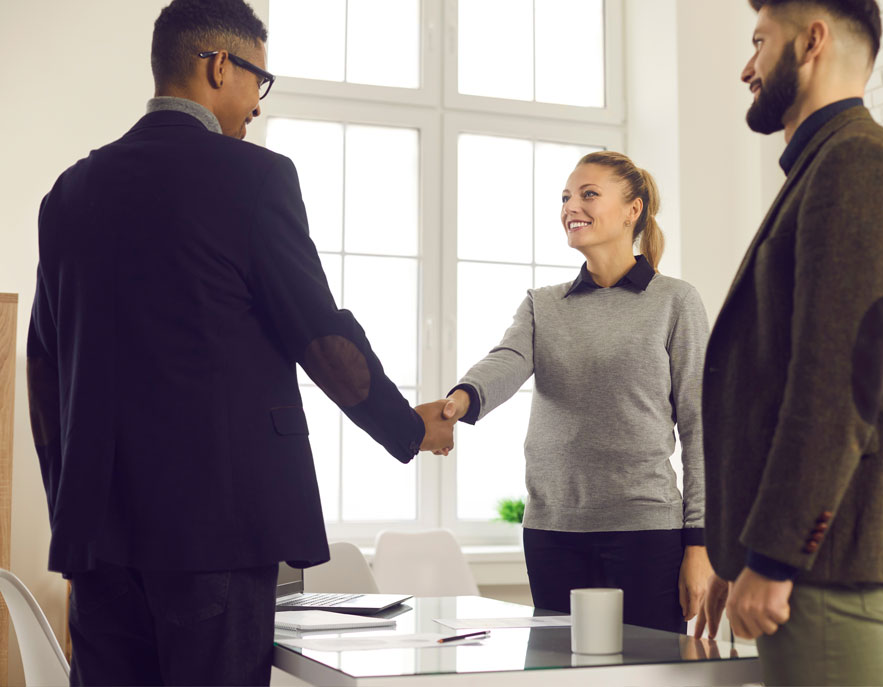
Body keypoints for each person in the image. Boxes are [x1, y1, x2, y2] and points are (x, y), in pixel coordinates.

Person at [26, 0, 455, 684]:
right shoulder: (252, 178)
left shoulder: (71, 193)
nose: (257, 103)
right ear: (220, 65)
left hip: (98, 537)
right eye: (259, 78)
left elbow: (44, 367)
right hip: (216, 535)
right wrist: (408, 428)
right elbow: (320, 336)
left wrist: (75, 509)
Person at [694, 1, 883, 684]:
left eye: (760, 42)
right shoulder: (828, 166)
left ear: (811, 41)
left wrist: (775, 556)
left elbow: (838, 382)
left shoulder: (859, 164)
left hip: (823, 565)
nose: (746, 67)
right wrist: (742, 554)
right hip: (812, 567)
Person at [436, 151, 712, 633]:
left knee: (648, 679)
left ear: (634, 210)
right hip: (552, 531)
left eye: (588, 194)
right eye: (565, 197)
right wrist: (457, 402)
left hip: (646, 532)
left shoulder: (676, 301)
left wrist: (700, 544)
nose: (571, 206)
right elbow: (507, 360)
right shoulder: (544, 304)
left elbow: (700, 425)